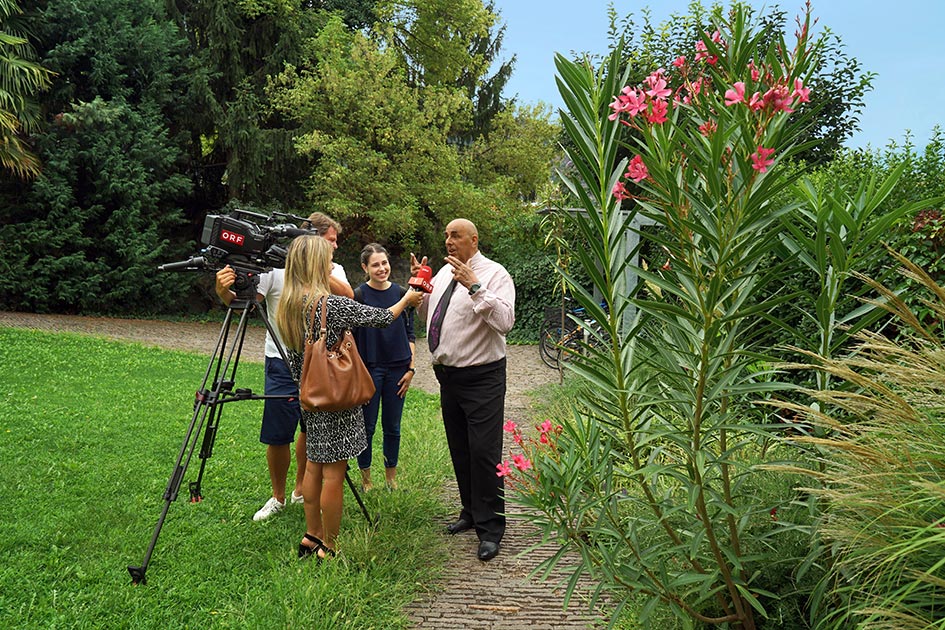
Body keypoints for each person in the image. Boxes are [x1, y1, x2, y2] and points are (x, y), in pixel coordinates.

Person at [276, 235, 423, 559]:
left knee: (314, 466)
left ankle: (311, 535)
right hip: (336, 396)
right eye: (327, 260)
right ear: (316, 265)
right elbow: (382, 318)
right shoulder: (331, 305)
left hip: (309, 396)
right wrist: (408, 299)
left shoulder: (287, 305)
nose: (332, 265)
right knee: (333, 473)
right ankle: (330, 544)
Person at [214, 212, 353, 522]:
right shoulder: (274, 267)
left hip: (320, 362)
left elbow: (348, 296)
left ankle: (302, 489)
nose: (335, 248)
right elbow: (245, 303)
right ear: (311, 239)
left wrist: (313, 268)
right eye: (330, 241)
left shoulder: (335, 269)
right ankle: (278, 496)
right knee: (278, 434)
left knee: (312, 428)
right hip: (280, 360)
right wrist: (224, 291)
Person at [410, 218, 515, 562]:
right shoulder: (442, 273)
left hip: (482, 376)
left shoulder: (496, 274)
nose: (449, 241)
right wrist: (421, 289)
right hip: (449, 377)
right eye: (446, 235)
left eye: (455, 236)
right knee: (461, 448)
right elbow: (431, 316)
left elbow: (505, 322)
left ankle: (491, 529)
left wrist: (475, 286)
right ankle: (470, 513)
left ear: (474, 239)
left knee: (484, 452)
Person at [352, 244, 417, 492]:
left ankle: (391, 478)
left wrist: (411, 369)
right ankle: (366, 480)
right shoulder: (358, 295)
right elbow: (352, 339)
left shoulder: (402, 293)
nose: (382, 268)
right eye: (375, 264)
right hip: (369, 370)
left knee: (393, 426)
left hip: (398, 369)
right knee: (366, 427)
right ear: (365, 268)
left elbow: (410, 333)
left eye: (385, 263)